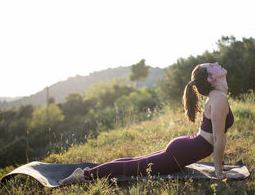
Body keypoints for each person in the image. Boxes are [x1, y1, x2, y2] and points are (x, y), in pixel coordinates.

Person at [59, 62, 239, 185]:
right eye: (212, 66)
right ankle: (84, 175)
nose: (216, 63)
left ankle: (88, 171)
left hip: (185, 147)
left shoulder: (218, 97)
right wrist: (219, 172)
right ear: (210, 79)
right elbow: (218, 138)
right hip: (182, 152)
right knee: (131, 167)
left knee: (132, 162)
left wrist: (220, 165)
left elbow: (217, 138)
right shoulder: (218, 99)